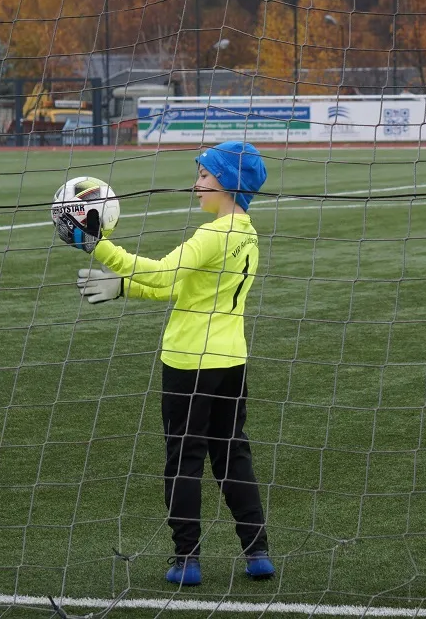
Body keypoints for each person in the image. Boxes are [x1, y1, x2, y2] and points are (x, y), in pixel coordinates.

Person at [55, 141, 275, 586]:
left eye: (205, 176)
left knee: (184, 460)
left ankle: (187, 560)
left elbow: (161, 273)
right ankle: (258, 553)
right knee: (232, 456)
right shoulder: (247, 234)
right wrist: (123, 289)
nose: (196, 183)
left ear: (228, 182)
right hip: (231, 361)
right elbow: (181, 288)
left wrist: (98, 246)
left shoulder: (212, 234)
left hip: (189, 363)